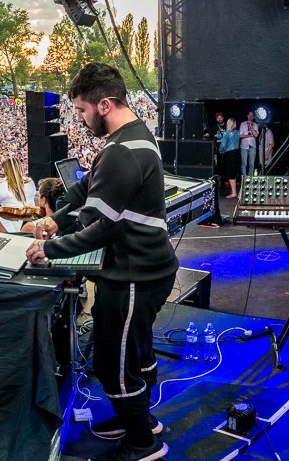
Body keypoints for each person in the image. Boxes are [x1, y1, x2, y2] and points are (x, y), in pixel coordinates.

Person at [27, 63, 177, 461]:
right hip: (148, 269)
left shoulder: (121, 151)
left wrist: (49, 249)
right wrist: (52, 219)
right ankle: (140, 420)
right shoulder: (131, 134)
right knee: (138, 352)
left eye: (81, 110)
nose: (78, 118)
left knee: (114, 360)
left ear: (105, 104)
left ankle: (144, 444)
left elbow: (102, 231)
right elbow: (86, 185)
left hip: (134, 274)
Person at [216, 119, 240, 198]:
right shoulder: (237, 132)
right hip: (237, 152)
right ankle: (234, 191)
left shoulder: (227, 133)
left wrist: (219, 150)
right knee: (234, 173)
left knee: (230, 173)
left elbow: (223, 144)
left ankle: (233, 193)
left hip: (230, 153)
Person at [239, 112, 258, 177]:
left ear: (254, 117)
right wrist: (250, 136)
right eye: (249, 115)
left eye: (252, 116)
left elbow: (256, 135)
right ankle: (244, 178)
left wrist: (251, 127)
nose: (250, 117)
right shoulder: (243, 124)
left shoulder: (255, 125)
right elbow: (241, 135)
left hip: (252, 146)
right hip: (244, 146)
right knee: (244, 164)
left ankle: (250, 179)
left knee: (251, 164)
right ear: (247, 116)